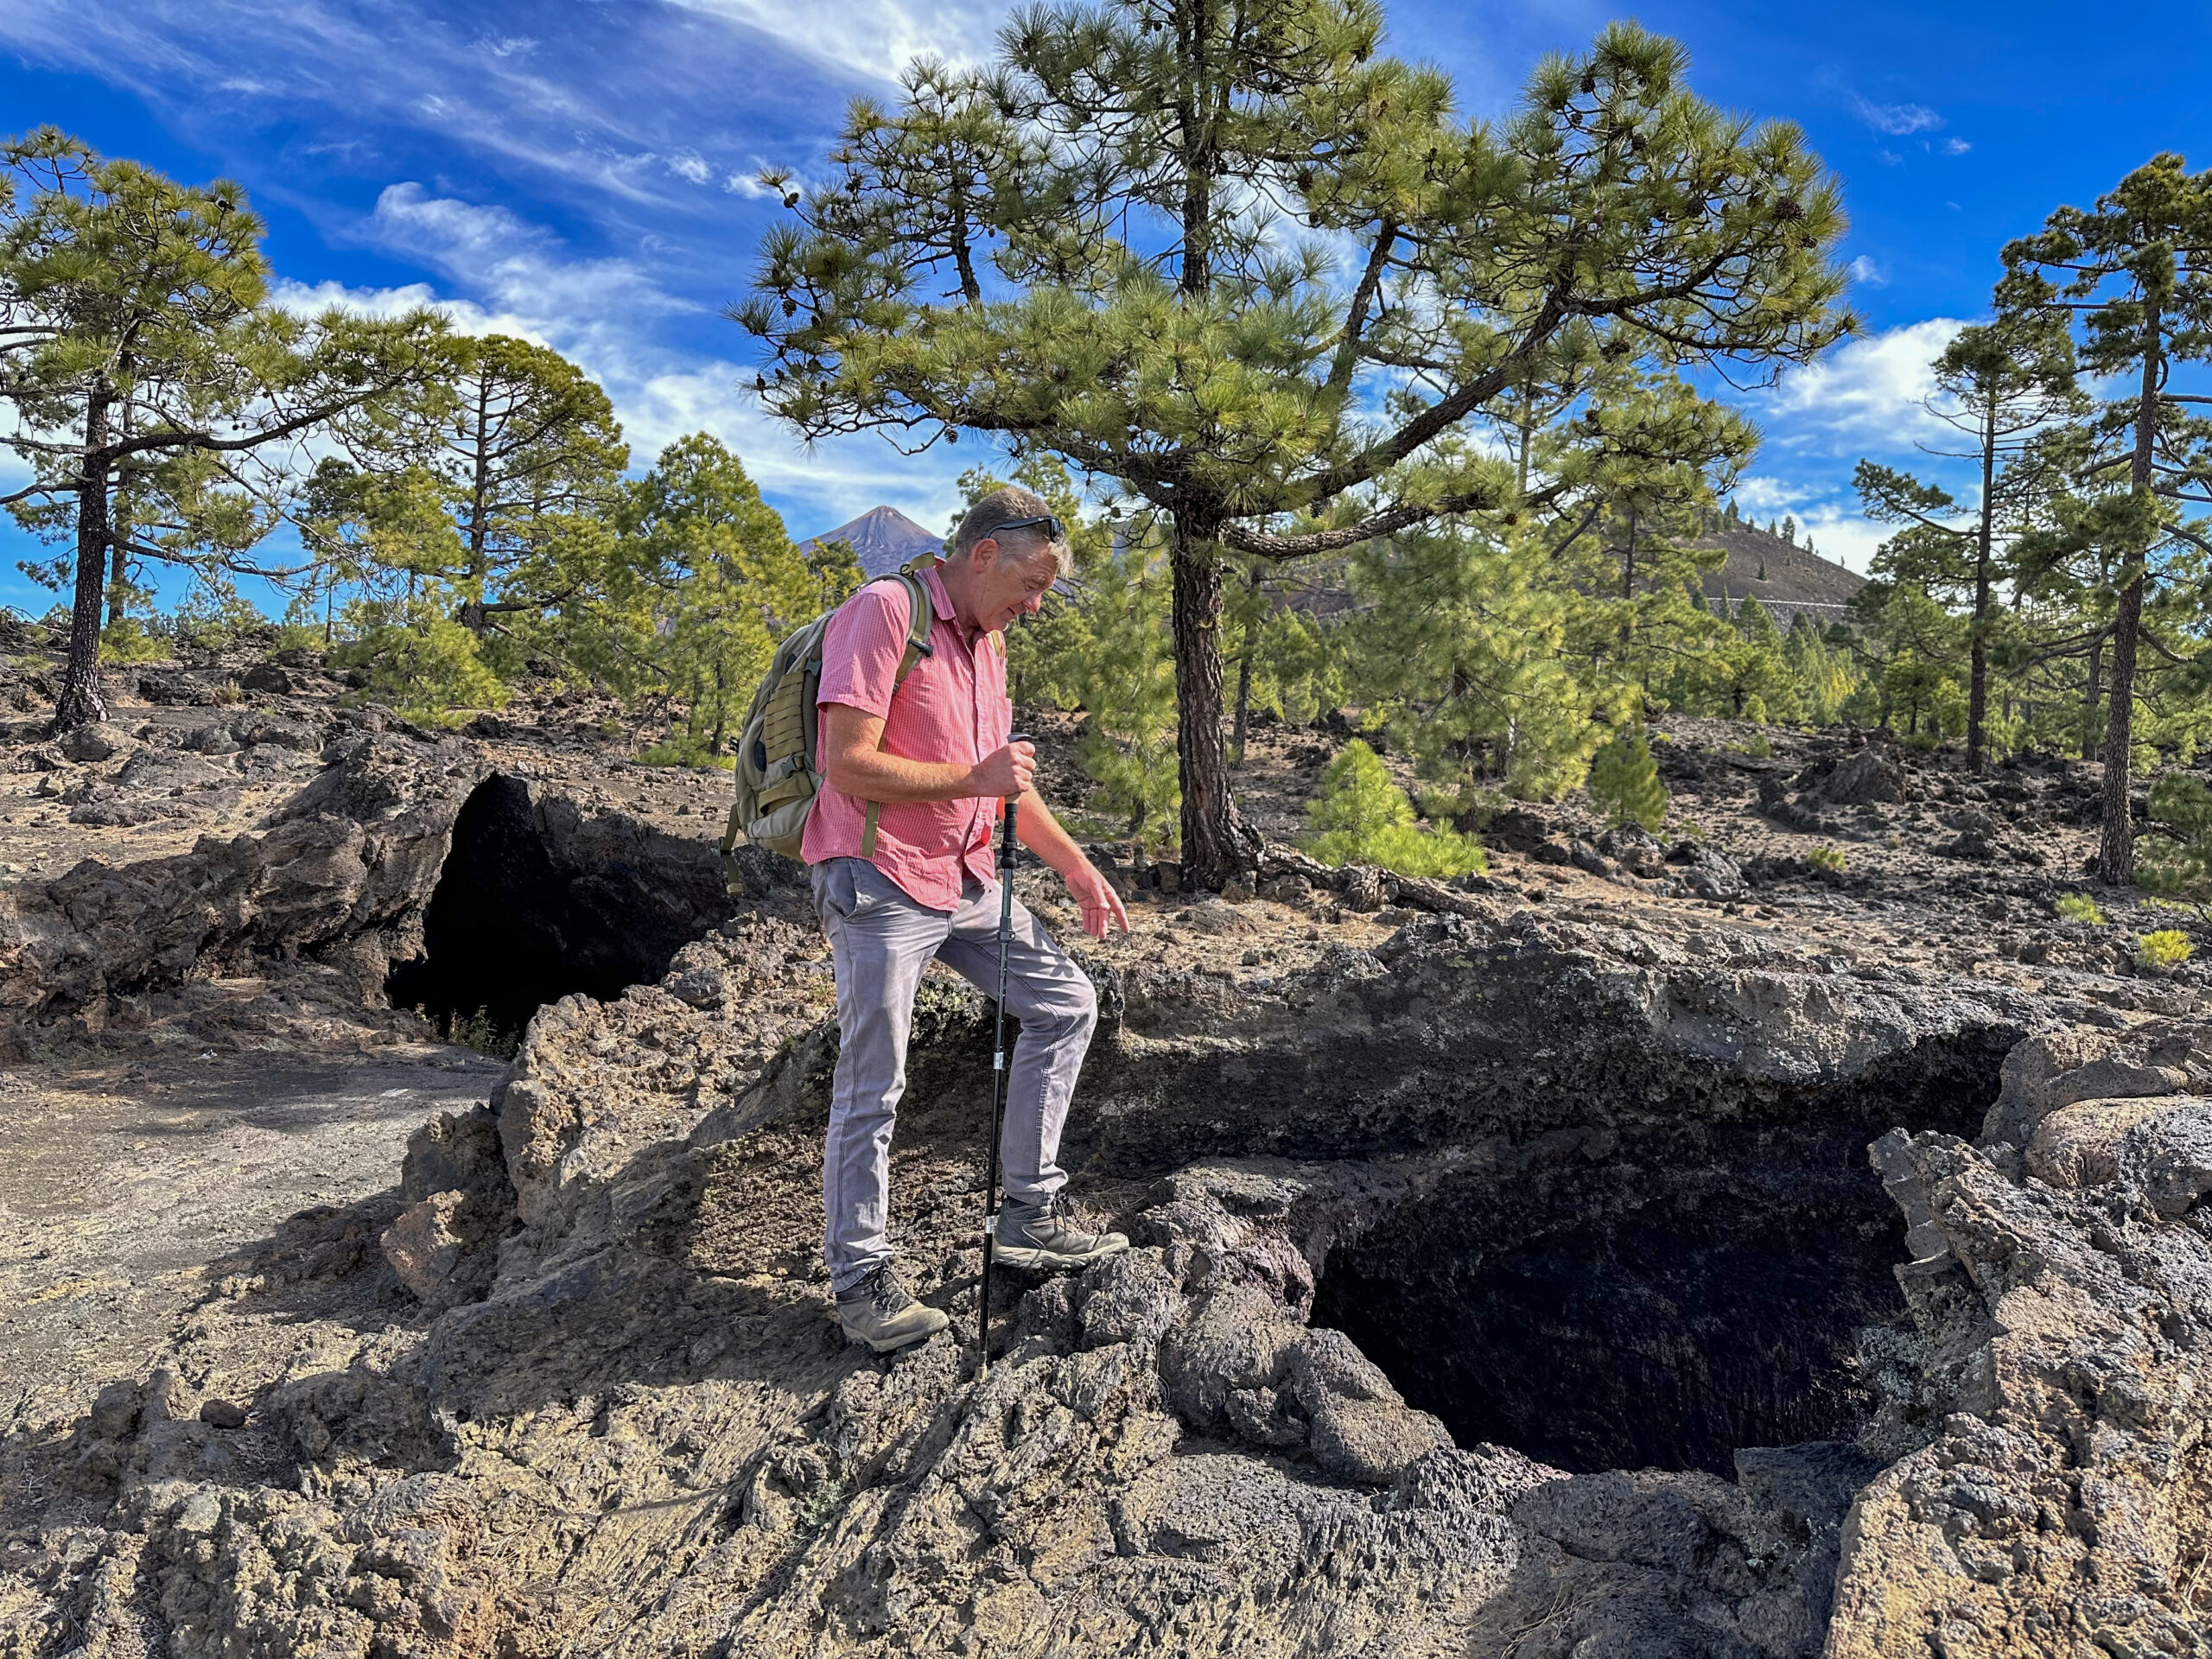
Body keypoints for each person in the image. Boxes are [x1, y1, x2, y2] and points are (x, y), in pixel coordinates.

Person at [804, 486, 1133, 1353]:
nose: (1035, 605)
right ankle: (861, 1282)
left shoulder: (987, 647)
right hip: (876, 881)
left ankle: (1027, 1212)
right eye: (1030, 582)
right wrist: (970, 782)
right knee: (873, 1082)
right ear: (983, 553)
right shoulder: (883, 612)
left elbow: (1003, 784)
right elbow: (846, 764)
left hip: (965, 876)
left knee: (1066, 1003)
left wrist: (1077, 868)